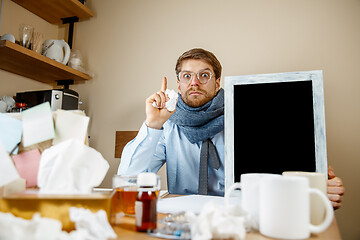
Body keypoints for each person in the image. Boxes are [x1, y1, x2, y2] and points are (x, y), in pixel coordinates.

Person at [118, 48, 345, 207]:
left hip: (239, 216)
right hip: (185, 221)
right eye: (187, 76)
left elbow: (281, 172)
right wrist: (153, 124)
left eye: (203, 75)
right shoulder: (166, 125)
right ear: (179, 84)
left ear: (217, 83)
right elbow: (127, 179)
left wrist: (316, 189)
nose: (194, 82)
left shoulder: (248, 116)